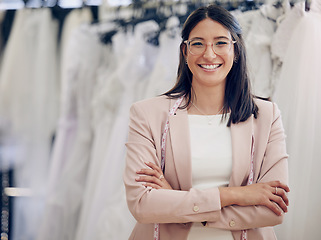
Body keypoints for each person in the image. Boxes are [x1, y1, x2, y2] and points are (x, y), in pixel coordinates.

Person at [123, 4, 289, 240]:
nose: (209, 54)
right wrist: (238, 195)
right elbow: (142, 204)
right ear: (184, 51)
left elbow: (274, 210)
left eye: (220, 42)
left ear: (236, 50)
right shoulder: (147, 114)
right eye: (198, 43)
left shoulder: (266, 115)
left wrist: (178, 203)